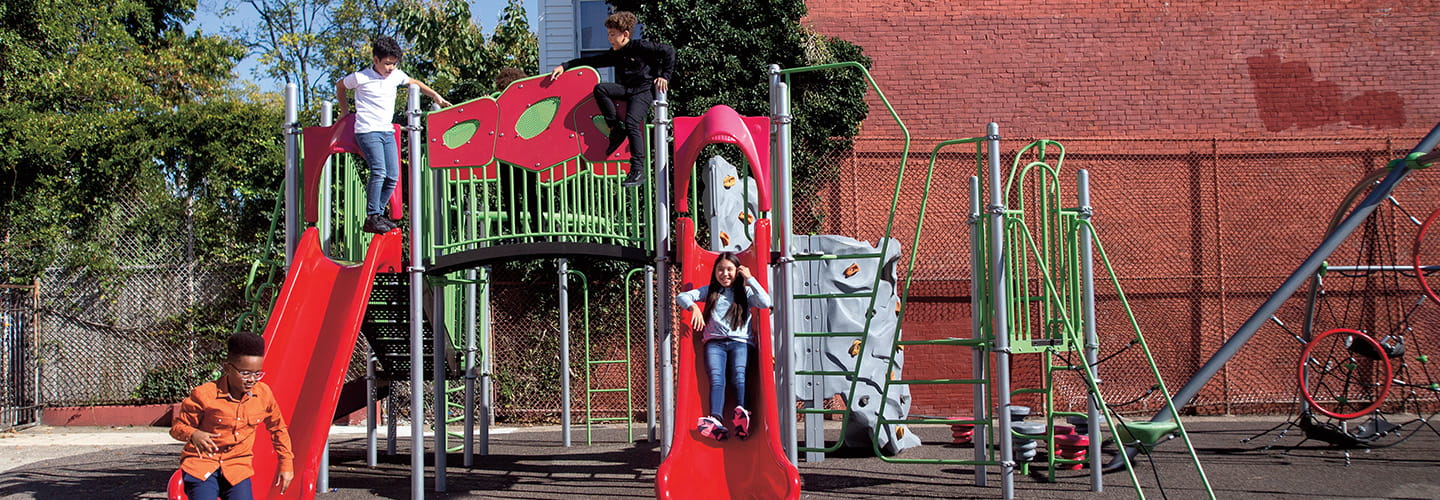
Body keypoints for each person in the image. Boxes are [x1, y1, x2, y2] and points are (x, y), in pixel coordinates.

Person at [337, 36, 453, 234]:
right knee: (379, 170)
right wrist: (344, 110)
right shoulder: (361, 77)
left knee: (393, 176)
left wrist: (435, 95)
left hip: (387, 130)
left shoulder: (396, 75)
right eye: (387, 64)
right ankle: (373, 215)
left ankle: (377, 216)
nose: (391, 68)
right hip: (367, 130)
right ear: (375, 60)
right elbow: (340, 86)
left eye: (394, 64)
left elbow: (414, 82)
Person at [549, 11, 675, 188]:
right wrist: (565, 66)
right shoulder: (615, 54)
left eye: (612, 34)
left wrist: (664, 76)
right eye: (608, 34)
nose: (609, 38)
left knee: (632, 122)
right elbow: (592, 61)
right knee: (601, 89)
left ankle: (637, 169)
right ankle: (615, 127)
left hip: (642, 91)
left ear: (625, 35)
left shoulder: (640, 46)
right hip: (626, 90)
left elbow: (669, 51)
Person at [170, 332, 294, 500]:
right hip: (202, 465)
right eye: (245, 373)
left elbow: (278, 428)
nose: (252, 379)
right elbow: (177, 428)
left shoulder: (263, 394)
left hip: (237, 467)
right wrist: (194, 434)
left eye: (257, 373)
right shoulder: (204, 395)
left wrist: (286, 464)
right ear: (228, 368)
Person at [676, 252, 771, 441]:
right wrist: (693, 307)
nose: (724, 273)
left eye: (729, 269)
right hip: (715, 343)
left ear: (737, 271)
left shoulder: (745, 293)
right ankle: (715, 419)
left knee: (739, 375)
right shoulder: (710, 291)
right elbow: (682, 296)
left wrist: (750, 278)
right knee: (717, 378)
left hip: (740, 342)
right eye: (720, 269)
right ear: (715, 272)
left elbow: (765, 302)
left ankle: (741, 413)